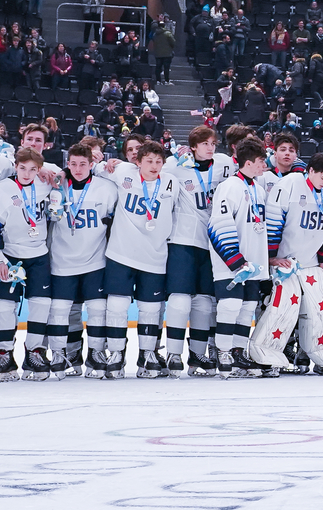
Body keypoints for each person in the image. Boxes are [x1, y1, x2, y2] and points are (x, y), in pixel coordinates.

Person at [102, 140, 184, 378]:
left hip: (155, 255)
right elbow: (97, 169)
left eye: (159, 161)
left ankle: (147, 355)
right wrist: (107, 162)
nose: (154, 166)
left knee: (151, 309)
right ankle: (116, 354)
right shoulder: (123, 172)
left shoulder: (170, 182)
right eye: (149, 161)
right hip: (122, 252)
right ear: (137, 161)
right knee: (116, 305)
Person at [0, 147, 53, 382]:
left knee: (41, 304)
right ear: (15, 166)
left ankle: (34, 353)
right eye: (23, 168)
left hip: (39, 254)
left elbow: (69, 173)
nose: (28, 173)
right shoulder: (4, 188)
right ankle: (4, 354)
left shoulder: (45, 182)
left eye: (33, 169)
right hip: (9, 254)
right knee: (2, 306)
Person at [48, 141, 120, 378]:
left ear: (91, 164)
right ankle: (60, 353)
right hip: (61, 259)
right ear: (67, 165)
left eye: (83, 164)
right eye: (73, 164)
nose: (78, 169)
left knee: (98, 308)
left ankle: (96, 354)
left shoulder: (106, 188)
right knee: (61, 310)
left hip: (95, 259)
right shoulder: (57, 186)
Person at [164, 127, 232, 375]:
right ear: (193, 146)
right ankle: (172, 353)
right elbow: (147, 170)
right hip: (183, 238)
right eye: (204, 143)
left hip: (212, 243)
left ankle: (197, 355)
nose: (210, 147)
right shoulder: (176, 164)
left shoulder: (224, 164)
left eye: (213, 143)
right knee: (180, 298)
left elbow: (249, 167)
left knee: (205, 301)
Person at [206, 138, 274, 377]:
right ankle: (223, 351)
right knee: (230, 305)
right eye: (260, 161)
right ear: (248, 162)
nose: (264, 165)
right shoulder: (230, 186)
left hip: (254, 261)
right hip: (231, 262)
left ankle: (237, 353)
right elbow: (218, 225)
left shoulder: (257, 187)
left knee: (247, 307)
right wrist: (235, 260)